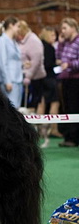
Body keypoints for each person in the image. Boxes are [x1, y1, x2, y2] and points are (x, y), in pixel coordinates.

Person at [56, 17, 79, 147]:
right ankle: (69, 136)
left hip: (75, 79)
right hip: (65, 79)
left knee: (75, 108)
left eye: (65, 28)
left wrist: (69, 64)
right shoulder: (65, 42)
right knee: (67, 108)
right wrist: (60, 43)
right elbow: (58, 57)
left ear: (73, 27)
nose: (62, 31)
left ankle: (75, 138)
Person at [16, 20, 46, 112]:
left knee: (32, 104)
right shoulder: (21, 41)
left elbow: (36, 61)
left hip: (34, 78)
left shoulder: (33, 40)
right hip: (24, 76)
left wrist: (28, 76)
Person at [38, 27, 62, 138]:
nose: (55, 38)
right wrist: (57, 64)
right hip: (49, 79)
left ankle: (39, 130)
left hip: (41, 79)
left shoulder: (40, 45)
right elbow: (48, 65)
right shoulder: (49, 48)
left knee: (41, 103)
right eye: (52, 35)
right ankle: (54, 129)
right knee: (55, 103)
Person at [0, 16, 23, 109]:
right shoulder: (2, 40)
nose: (19, 29)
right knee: (11, 108)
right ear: (11, 25)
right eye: (18, 26)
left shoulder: (14, 41)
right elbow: (2, 62)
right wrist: (7, 80)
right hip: (9, 80)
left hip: (18, 79)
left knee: (17, 108)